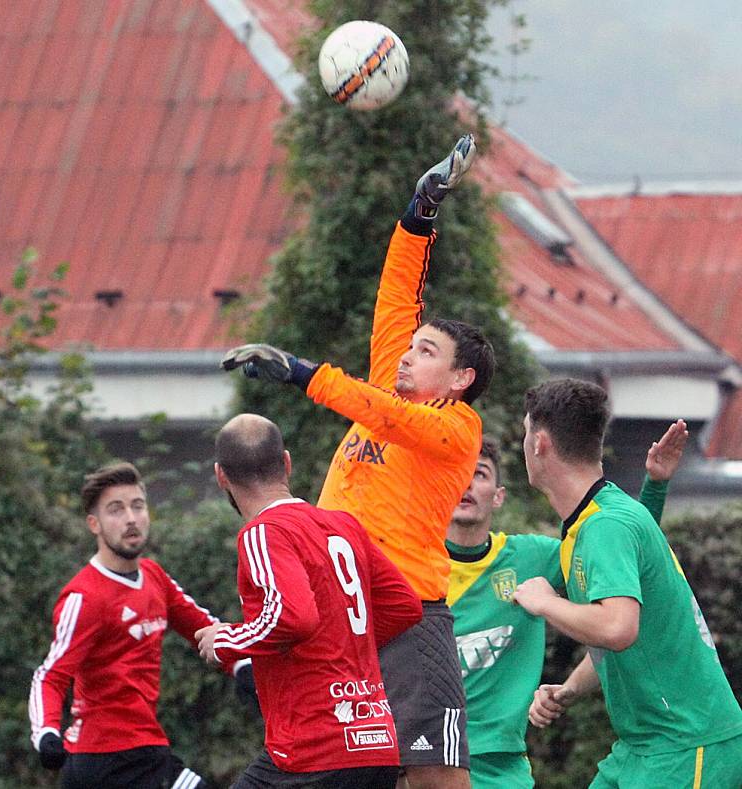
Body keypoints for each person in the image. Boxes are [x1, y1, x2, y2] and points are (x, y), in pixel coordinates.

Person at [222, 135, 491, 789]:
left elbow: (393, 417)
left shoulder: (457, 428)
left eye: (425, 352)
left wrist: (304, 374)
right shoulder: (389, 389)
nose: (406, 355)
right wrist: (418, 215)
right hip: (344, 618)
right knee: (341, 769)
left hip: (410, 615)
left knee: (436, 781)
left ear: (459, 379)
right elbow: (397, 298)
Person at [513, 378, 742, 788]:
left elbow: (618, 628)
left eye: (525, 432)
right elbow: (616, 632)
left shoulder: (606, 525)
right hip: (642, 749)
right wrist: (569, 689)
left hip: (686, 748)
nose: (523, 444)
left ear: (540, 443)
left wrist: (544, 601)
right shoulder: (596, 521)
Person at [447, 423, 687, 788]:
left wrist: (654, 487)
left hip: (502, 768)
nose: (465, 484)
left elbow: (621, 556)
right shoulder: (409, 566)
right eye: (455, 474)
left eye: (478, 474)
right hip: (427, 759)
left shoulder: (532, 557)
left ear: (498, 496)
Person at [195, 413, 422, 788]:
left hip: (312, 750)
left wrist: (226, 640)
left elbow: (292, 617)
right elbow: (404, 605)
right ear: (286, 462)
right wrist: (337, 643)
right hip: (375, 741)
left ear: (221, 476)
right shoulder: (343, 525)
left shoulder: (262, 533)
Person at [28, 462, 215, 789]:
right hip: (100, 763)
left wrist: (244, 662)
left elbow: (205, 628)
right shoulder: (84, 597)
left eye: (137, 506)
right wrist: (45, 733)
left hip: (146, 751)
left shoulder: (154, 577)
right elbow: (50, 675)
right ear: (94, 524)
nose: (130, 518)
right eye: (116, 510)